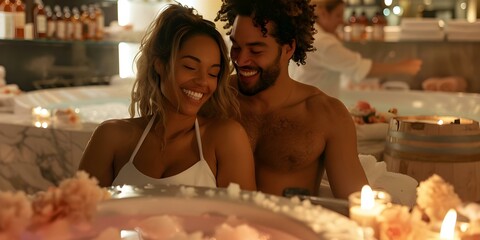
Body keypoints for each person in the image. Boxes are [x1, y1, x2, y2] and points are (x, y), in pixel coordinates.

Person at [78, 3, 256, 191]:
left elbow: (244, 218)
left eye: (213, 73)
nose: (203, 82)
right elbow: (77, 215)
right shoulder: (110, 137)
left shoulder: (225, 138)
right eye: (190, 67)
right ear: (160, 65)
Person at [216, 0, 368, 199]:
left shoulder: (327, 115)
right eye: (236, 46)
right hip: (219, 226)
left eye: (256, 50)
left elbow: (355, 202)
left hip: (289, 226)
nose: (240, 60)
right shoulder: (216, 100)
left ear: (288, 49)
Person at [290, 0, 423, 97]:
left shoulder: (311, 34)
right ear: (324, 13)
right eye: (338, 15)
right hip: (315, 109)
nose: (342, 21)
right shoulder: (323, 42)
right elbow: (361, 68)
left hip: (306, 103)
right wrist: (404, 67)